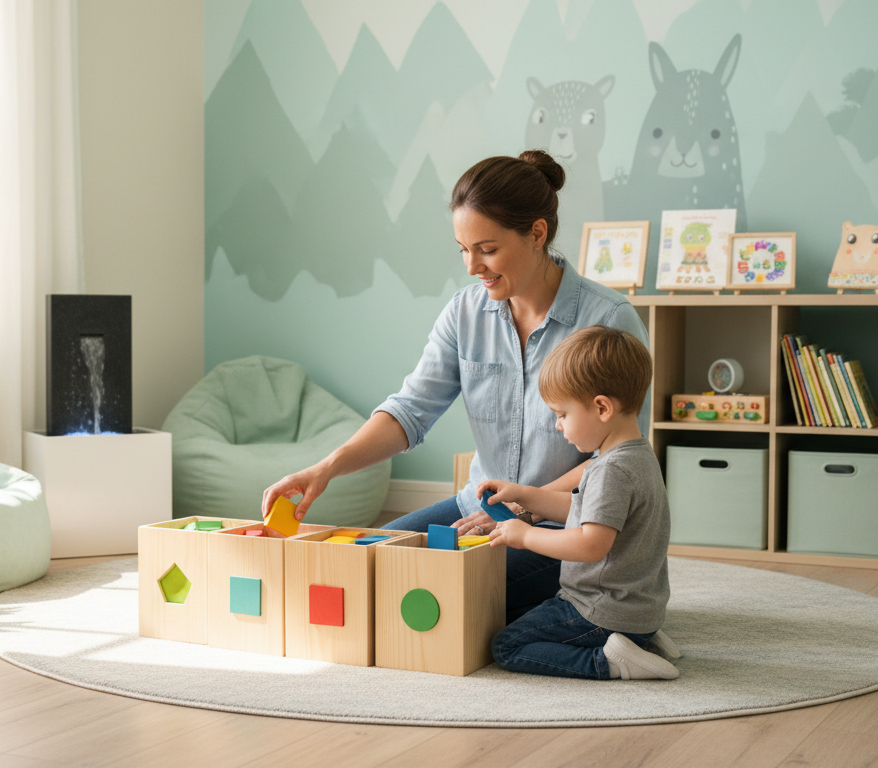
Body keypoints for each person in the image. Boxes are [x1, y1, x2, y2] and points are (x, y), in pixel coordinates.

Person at [262, 150, 650, 621]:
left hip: (567, 525)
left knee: (434, 594)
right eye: (463, 250)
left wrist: (524, 510)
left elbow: (619, 457)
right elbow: (411, 410)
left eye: (487, 249)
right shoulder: (465, 312)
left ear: (537, 233)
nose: (472, 266)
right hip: (477, 509)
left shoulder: (608, 319)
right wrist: (326, 468)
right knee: (370, 568)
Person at [482, 325, 677, 680]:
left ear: (602, 408)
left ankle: (610, 661)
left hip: (600, 611)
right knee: (528, 613)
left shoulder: (611, 470)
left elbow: (590, 544)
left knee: (506, 645)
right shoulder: (635, 454)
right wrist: (524, 494)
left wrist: (523, 537)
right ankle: (636, 639)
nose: (558, 426)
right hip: (635, 607)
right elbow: (585, 513)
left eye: (562, 414)